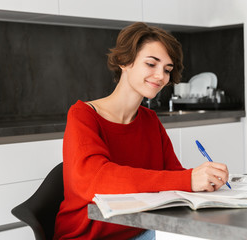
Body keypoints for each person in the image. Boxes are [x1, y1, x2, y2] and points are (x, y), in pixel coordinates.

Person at [53, 22, 229, 240]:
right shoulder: (83, 115)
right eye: (151, 64)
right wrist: (187, 179)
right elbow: (96, 182)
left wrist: (204, 180)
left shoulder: (150, 120)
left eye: (167, 70)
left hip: (141, 229)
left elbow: (173, 176)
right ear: (124, 62)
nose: (160, 76)